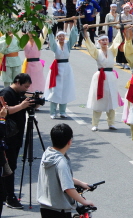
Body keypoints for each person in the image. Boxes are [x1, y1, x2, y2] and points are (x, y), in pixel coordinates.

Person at [37, 123, 95, 218]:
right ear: (69, 141)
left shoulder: (47, 154)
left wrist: (80, 183)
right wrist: (84, 201)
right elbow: (68, 188)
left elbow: (60, 177)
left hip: (45, 206)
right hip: (59, 210)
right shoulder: (61, 162)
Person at [0, 74, 36, 209]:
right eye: (25, 86)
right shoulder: (6, 93)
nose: (26, 89)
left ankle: (5, 194)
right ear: (17, 82)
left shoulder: (18, 94)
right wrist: (22, 106)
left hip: (16, 138)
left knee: (12, 166)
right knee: (9, 168)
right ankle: (9, 196)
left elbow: (23, 107)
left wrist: (32, 104)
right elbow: (4, 111)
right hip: (8, 138)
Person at [83, 28, 121, 131]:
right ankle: (95, 124)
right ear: (99, 42)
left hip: (111, 77)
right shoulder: (97, 52)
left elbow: (117, 42)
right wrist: (85, 33)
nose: (105, 42)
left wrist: (120, 30)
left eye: (106, 40)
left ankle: (111, 123)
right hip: (100, 77)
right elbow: (90, 45)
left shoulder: (112, 51)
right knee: (98, 100)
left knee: (111, 99)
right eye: (102, 40)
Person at [45, 25, 79, 119]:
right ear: (57, 37)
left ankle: (62, 111)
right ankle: (53, 112)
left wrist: (74, 26)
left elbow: (73, 37)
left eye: (63, 36)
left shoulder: (68, 45)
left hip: (67, 68)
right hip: (57, 69)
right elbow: (51, 40)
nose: (61, 38)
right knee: (55, 90)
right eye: (59, 36)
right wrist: (49, 29)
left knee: (65, 89)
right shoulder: (55, 46)